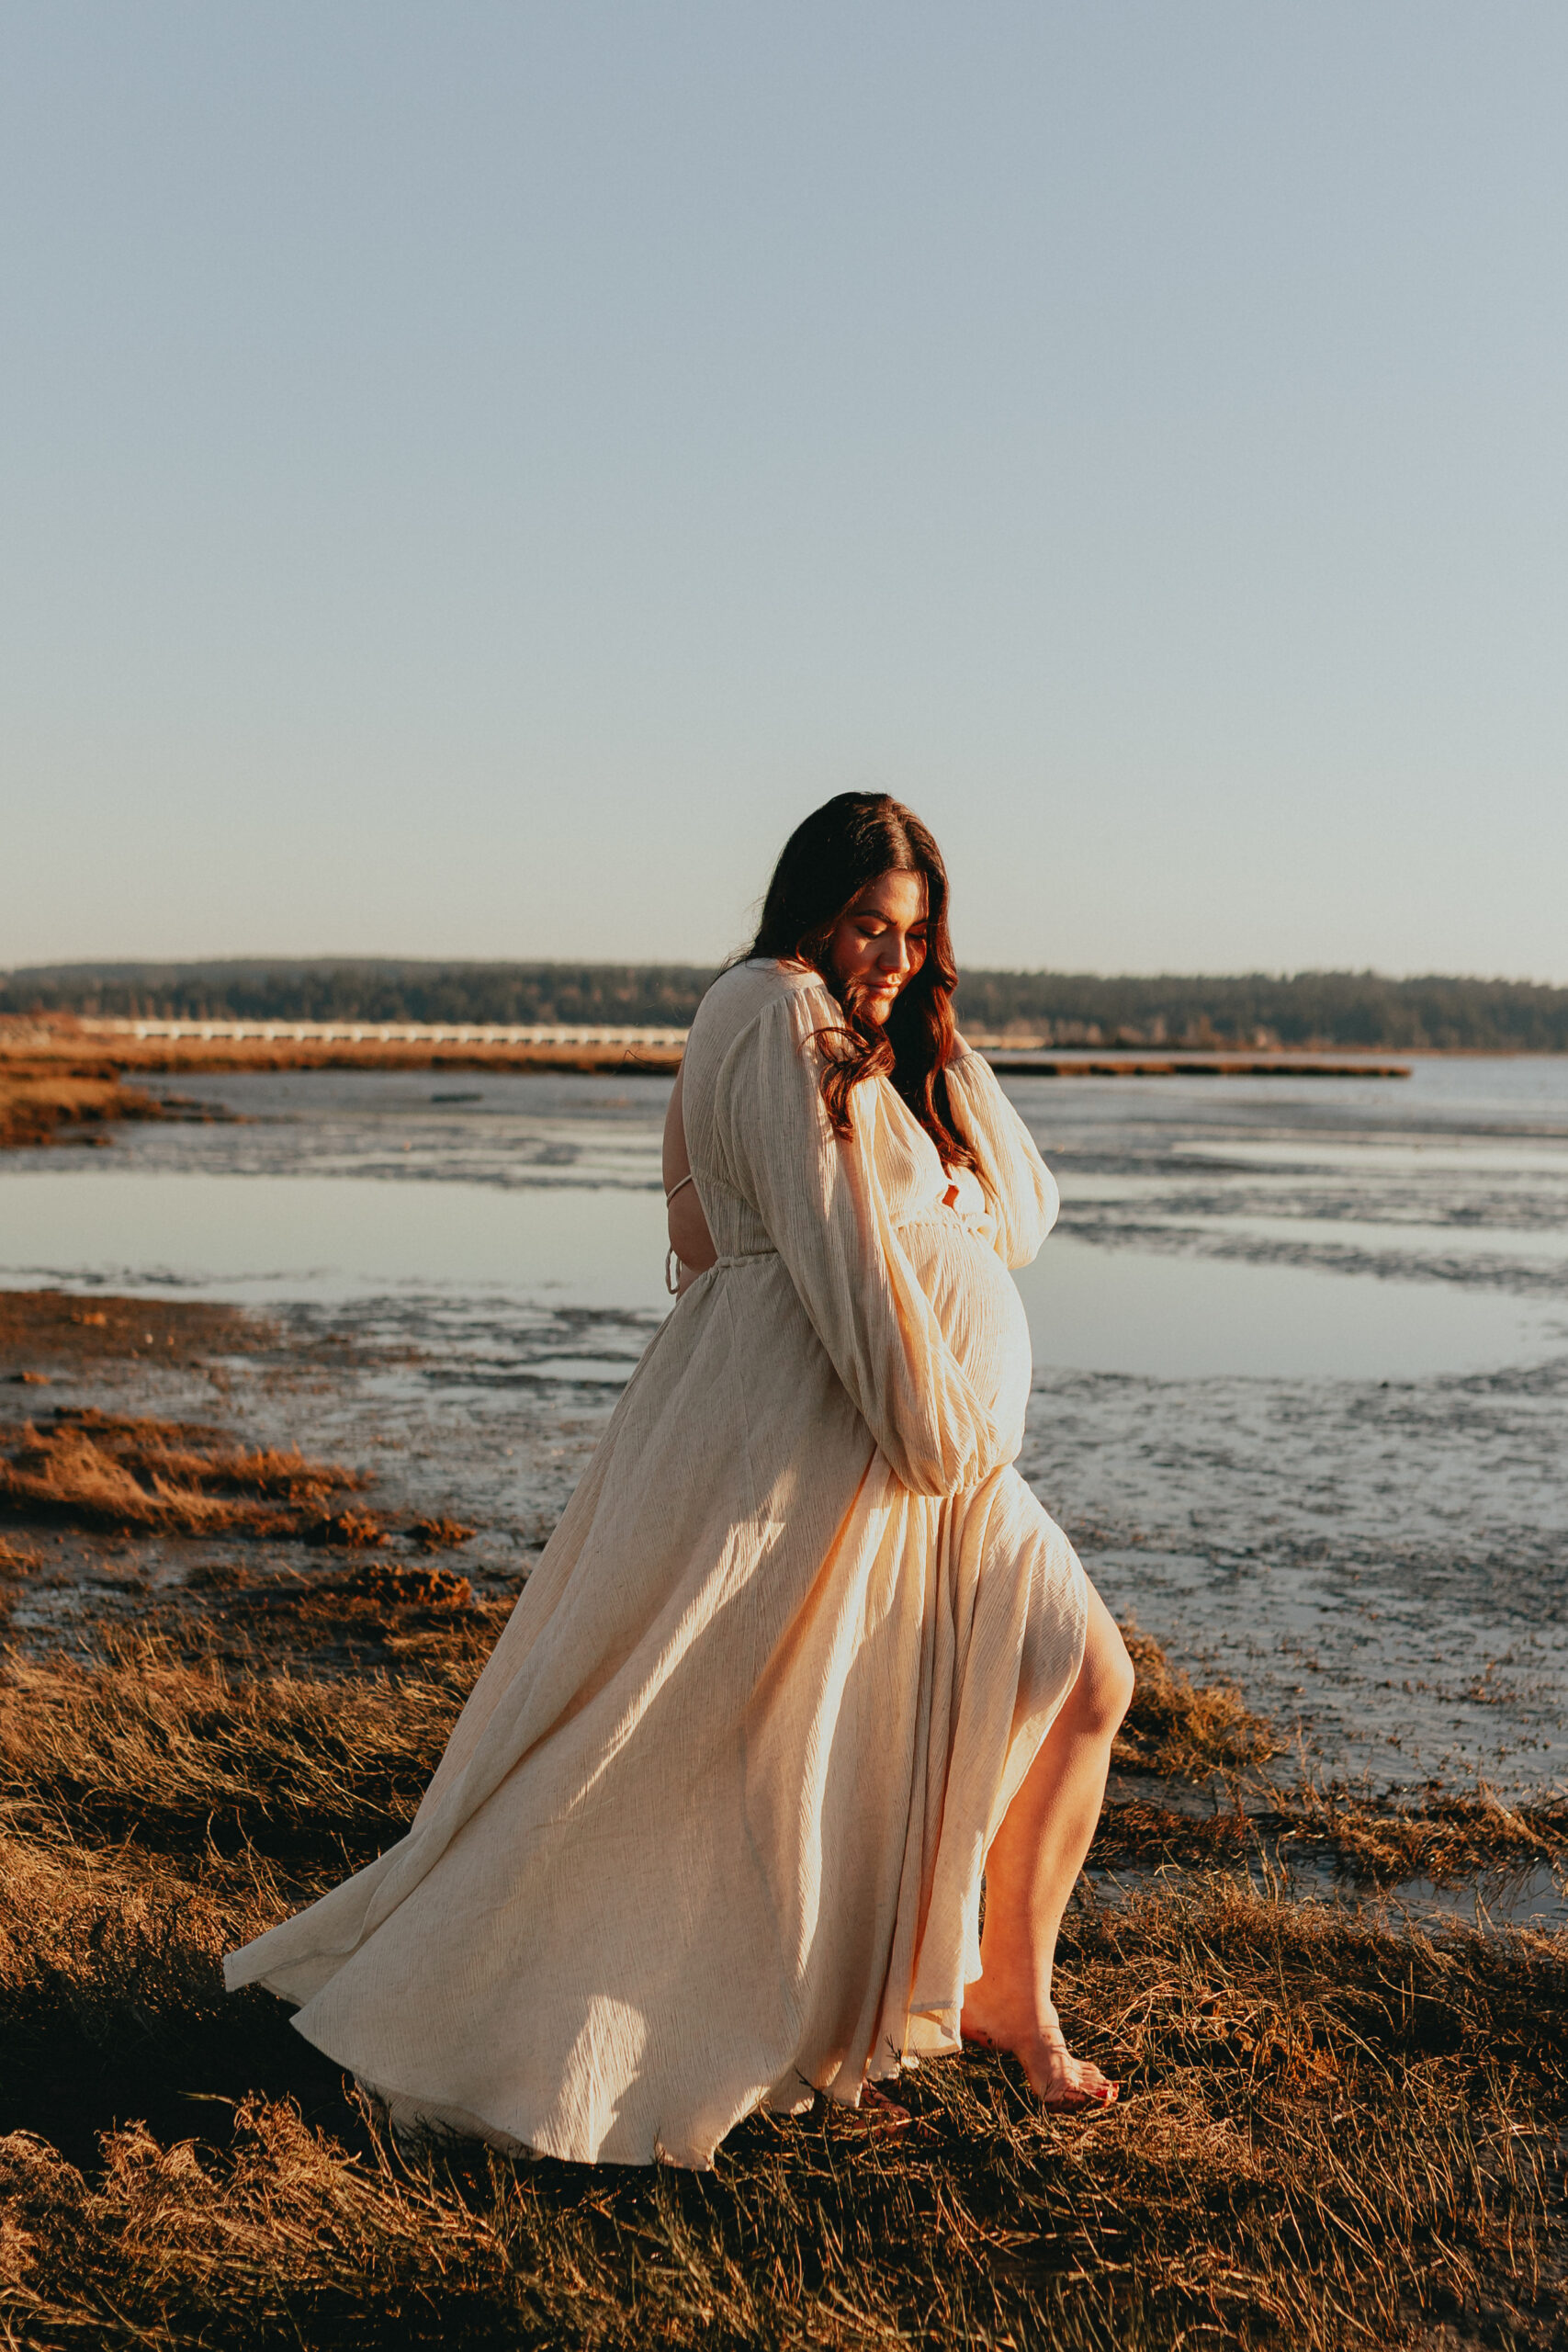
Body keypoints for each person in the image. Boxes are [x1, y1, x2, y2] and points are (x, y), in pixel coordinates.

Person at [226, 793, 1134, 2166]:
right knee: (754, 1751)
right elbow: (826, 1256)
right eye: (865, 925)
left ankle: (1010, 1993)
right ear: (808, 910)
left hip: (915, 1446)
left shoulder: (861, 1035)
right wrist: (941, 1436)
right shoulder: (768, 1009)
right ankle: (729, 2031)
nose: (888, 953)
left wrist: (930, 1032)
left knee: (1075, 1682)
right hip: (866, 1435)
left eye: (915, 932)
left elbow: (1019, 1213)